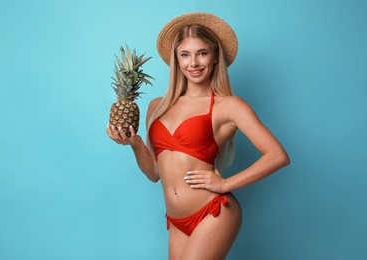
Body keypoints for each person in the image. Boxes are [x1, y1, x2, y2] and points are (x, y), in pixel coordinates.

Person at [106, 12, 290, 260]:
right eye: (185, 55)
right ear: (177, 61)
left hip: (214, 212)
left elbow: (278, 156)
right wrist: (135, 144)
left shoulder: (229, 106)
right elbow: (154, 173)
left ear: (215, 57)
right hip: (176, 221)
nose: (193, 63)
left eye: (202, 53)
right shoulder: (157, 106)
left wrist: (225, 184)